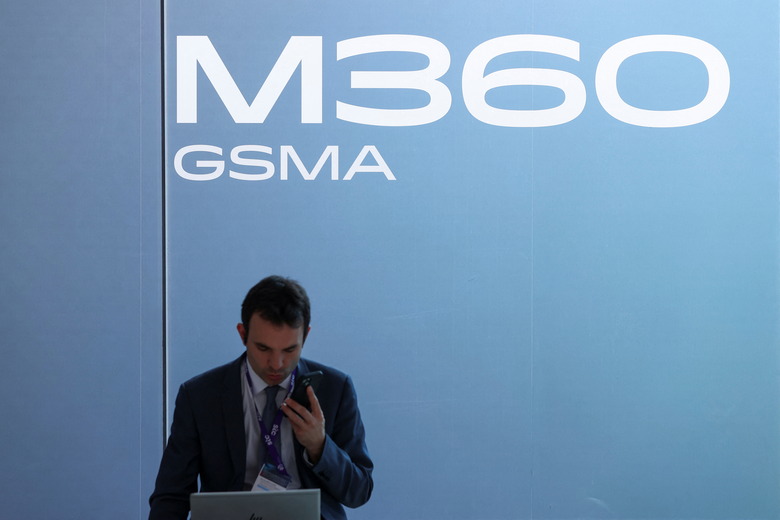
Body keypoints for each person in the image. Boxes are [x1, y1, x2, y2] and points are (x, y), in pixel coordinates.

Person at [149, 275, 373, 520]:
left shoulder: (335, 389)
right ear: (242, 334)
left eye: (290, 349)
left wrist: (320, 447)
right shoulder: (200, 396)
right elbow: (171, 495)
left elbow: (359, 492)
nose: (277, 364)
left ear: (305, 336)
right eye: (263, 348)